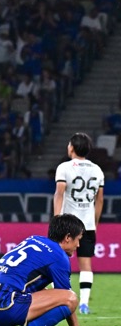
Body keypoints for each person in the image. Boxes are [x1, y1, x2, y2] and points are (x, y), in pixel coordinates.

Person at [0, 214, 93, 326]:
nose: (78, 246)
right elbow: (67, 299)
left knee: (38, 291)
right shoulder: (59, 256)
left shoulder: (33, 239)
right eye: (78, 240)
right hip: (4, 307)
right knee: (71, 298)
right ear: (68, 237)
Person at [53, 132, 104, 314]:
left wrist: (56, 219)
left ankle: (57, 297)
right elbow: (99, 200)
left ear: (72, 148)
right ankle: (84, 303)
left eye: (69, 145)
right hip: (87, 224)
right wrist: (95, 222)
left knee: (57, 260)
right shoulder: (97, 170)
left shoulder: (64, 168)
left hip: (67, 223)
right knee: (86, 264)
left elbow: (59, 193)